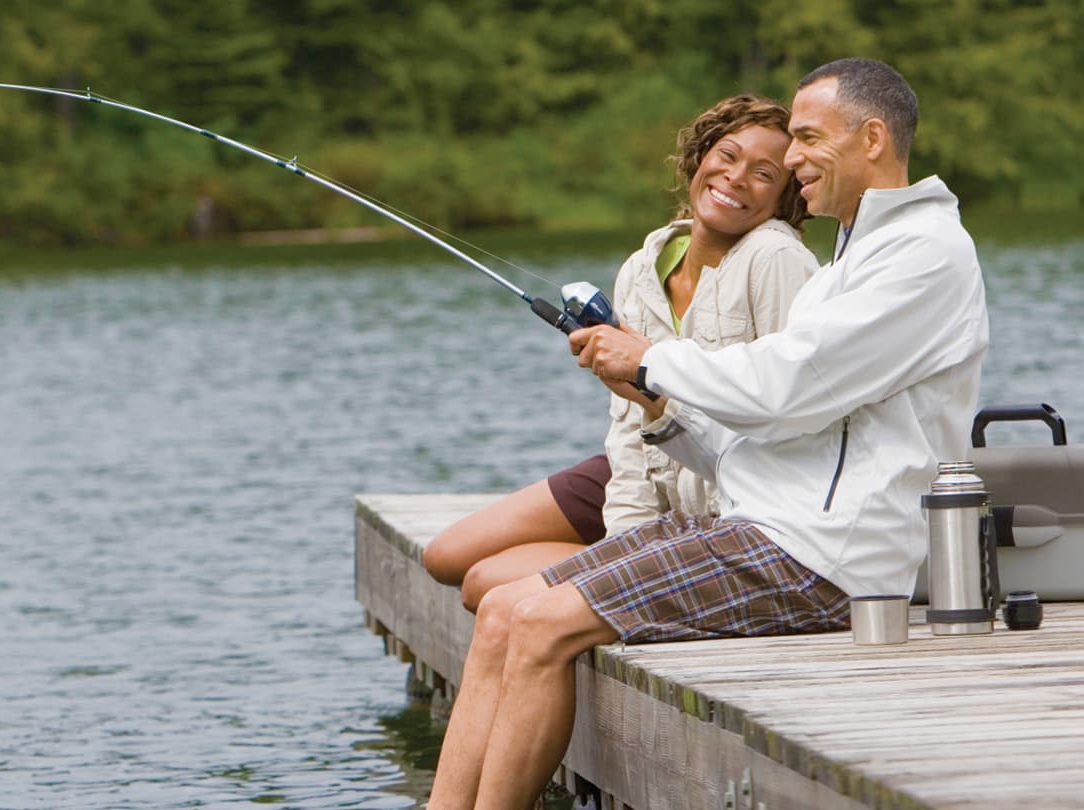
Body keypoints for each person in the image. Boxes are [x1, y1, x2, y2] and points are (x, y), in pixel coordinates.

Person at [425, 57, 990, 810]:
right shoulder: (849, 262)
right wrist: (659, 408)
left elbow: (787, 383)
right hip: (764, 526)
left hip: (827, 557)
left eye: (806, 139)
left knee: (538, 625)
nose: (791, 161)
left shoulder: (923, 254)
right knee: (501, 612)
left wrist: (654, 357)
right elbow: (778, 435)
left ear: (874, 138)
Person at [419, 95, 817, 612]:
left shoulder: (776, 257)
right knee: (445, 556)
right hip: (649, 470)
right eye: (727, 154)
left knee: (483, 583)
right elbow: (630, 424)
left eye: (764, 173)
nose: (736, 177)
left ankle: (619, 565)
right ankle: (614, 556)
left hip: (727, 491)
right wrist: (624, 541)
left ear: (786, 197)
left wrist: (625, 565)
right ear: (700, 157)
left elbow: (794, 415)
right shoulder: (642, 265)